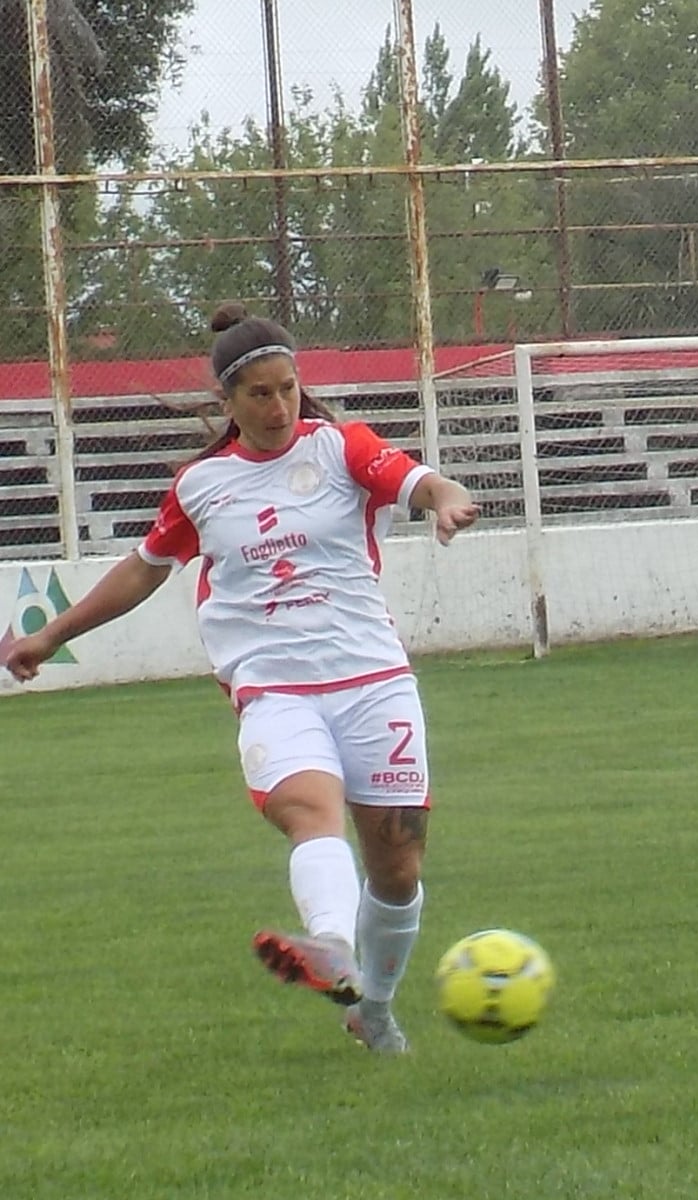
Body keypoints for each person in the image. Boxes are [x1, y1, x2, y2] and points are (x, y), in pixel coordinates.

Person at [1, 303, 481, 1051]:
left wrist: (448, 502)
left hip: (373, 682)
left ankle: (374, 1007)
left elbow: (417, 481)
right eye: (260, 394)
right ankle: (330, 944)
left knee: (397, 868)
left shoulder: (339, 449)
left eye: (289, 388)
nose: (280, 406)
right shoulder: (202, 485)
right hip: (273, 685)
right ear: (227, 403)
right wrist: (50, 634)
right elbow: (144, 571)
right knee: (308, 811)